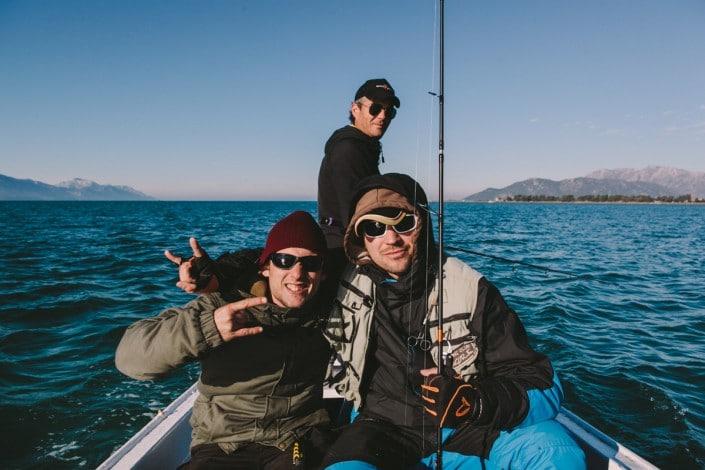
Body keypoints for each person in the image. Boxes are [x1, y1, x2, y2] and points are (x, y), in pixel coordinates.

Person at [320, 173, 586, 469]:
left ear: (423, 224)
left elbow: (546, 386)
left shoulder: (473, 289)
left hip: (467, 429)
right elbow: (287, 269)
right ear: (360, 240)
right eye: (373, 227)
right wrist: (259, 283)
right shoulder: (338, 282)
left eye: (403, 223)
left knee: (556, 452)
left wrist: (473, 401)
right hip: (382, 427)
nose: (390, 238)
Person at [115, 211, 333, 469]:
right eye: (284, 260)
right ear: (265, 267)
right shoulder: (224, 304)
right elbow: (130, 359)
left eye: (311, 263)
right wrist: (209, 328)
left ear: (323, 271)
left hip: (295, 436)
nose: (297, 274)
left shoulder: (325, 304)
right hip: (223, 442)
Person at [317, 78, 401, 250]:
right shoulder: (348, 150)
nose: (383, 116)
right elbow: (355, 215)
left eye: (389, 111)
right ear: (355, 109)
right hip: (343, 250)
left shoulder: (362, 147)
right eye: (375, 108)